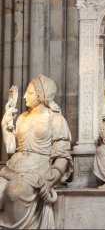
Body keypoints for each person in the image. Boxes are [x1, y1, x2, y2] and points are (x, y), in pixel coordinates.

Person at [0, 75, 72, 229]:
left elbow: (62, 156)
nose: (25, 96)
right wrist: (5, 124)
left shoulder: (56, 120)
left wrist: (50, 179)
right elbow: (11, 148)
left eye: (30, 93)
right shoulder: (22, 118)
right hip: (12, 169)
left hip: (36, 172)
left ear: (41, 95)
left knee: (14, 192)